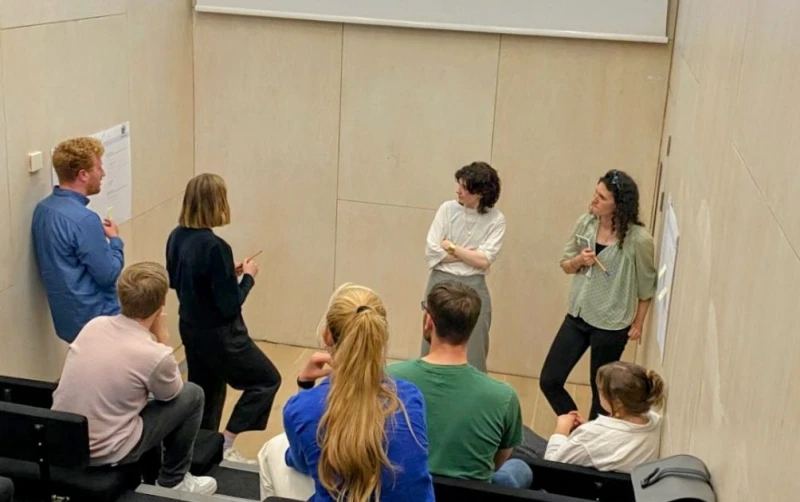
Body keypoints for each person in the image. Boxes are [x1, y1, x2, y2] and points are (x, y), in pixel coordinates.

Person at [257, 283, 434, 502]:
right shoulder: (410, 398)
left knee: (272, 450)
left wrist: (304, 386)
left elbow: (300, 461)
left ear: (327, 336)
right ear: (382, 336)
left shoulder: (302, 408)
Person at [51, 262, 217, 494]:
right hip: (107, 452)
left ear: (121, 296)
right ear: (162, 303)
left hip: (65, 441)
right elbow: (171, 394)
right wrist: (163, 339)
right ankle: (174, 480)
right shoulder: (154, 355)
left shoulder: (93, 326)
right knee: (193, 394)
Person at [166, 173, 281, 463]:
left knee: (207, 392)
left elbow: (176, 281)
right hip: (223, 335)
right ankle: (226, 442)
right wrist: (248, 278)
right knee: (266, 381)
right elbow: (230, 306)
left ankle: (200, 449)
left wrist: (227, 273)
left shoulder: (176, 236)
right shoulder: (216, 247)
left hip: (190, 327)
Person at [387, 281, 532, 489]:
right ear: (471, 327)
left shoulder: (388, 379)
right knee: (518, 468)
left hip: (404, 492)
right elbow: (496, 462)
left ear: (429, 322)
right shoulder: (504, 396)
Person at [540, 170, 657, 420]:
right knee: (549, 380)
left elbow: (647, 286)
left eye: (602, 197)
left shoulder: (639, 240)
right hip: (578, 314)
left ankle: (591, 439)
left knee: (601, 395)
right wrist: (579, 261)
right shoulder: (586, 223)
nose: (594, 199)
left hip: (611, 324)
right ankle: (577, 428)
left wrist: (638, 323)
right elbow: (565, 265)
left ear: (618, 205)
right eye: (596, 193)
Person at [32, 136, 124, 343]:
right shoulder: (85, 220)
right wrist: (115, 241)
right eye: (98, 168)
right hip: (98, 321)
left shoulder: (43, 210)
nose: (103, 174)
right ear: (83, 174)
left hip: (67, 321)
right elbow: (108, 274)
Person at [423, 161, 505, 372]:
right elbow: (432, 251)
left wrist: (451, 247)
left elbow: (485, 261)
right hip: (441, 280)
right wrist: (469, 254)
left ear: (480, 193)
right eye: (458, 184)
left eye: (464, 187)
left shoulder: (496, 219)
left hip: (474, 285)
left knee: (476, 345)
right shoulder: (447, 209)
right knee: (432, 341)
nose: (458, 190)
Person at [544, 362, 664, 473]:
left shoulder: (590, 435)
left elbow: (551, 465)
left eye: (600, 391)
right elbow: (609, 441)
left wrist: (561, 430)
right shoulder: (653, 420)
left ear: (618, 402)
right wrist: (588, 428)